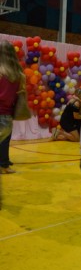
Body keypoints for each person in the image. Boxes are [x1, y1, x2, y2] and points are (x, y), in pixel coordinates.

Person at [0, 40, 26, 174]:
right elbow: (20, 92)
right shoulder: (18, 73)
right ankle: (4, 165)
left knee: (4, 140)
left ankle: (4, 162)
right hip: (6, 112)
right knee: (5, 139)